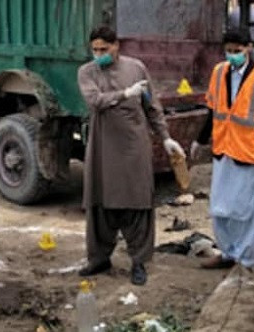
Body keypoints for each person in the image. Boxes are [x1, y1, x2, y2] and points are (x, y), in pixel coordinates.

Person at [77, 26, 184, 286]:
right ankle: (99, 258)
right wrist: (125, 94)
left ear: (117, 46)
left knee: (137, 201)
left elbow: (152, 106)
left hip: (134, 145)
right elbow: (95, 101)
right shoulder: (86, 72)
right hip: (103, 145)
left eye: (104, 49)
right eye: (95, 50)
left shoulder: (136, 68)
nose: (99, 54)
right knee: (100, 202)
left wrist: (166, 137)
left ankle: (139, 261)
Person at [191, 29, 254, 271]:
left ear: (248, 48)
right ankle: (226, 253)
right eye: (229, 51)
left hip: (249, 152)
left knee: (245, 212)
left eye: (238, 50)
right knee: (220, 208)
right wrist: (201, 139)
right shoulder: (219, 72)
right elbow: (213, 110)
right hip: (224, 148)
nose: (233, 55)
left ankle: (245, 260)